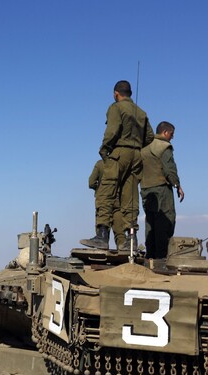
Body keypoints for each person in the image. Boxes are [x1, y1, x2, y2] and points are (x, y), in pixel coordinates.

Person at [81, 80, 154, 250]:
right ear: (130, 93)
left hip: (120, 153)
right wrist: (137, 146)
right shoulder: (141, 112)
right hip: (137, 156)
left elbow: (112, 131)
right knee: (130, 197)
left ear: (116, 93)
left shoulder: (116, 107)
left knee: (106, 193)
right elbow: (150, 136)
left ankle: (102, 236)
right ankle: (131, 239)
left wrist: (104, 149)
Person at [140, 121, 184, 259]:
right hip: (161, 189)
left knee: (150, 223)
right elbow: (169, 169)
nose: (172, 137)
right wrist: (177, 185)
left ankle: (150, 256)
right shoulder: (164, 146)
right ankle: (161, 258)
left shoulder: (145, 147)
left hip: (146, 189)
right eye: (171, 134)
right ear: (165, 132)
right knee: (165, 221)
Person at [88, 160, 127, 248]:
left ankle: (102, 247)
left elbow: (91, 182)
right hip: (118, 200)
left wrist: (99, 189)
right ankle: (123, 248)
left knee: (102, 227)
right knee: (120, 231)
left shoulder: (100, 164)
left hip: (103, 200)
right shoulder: (121, 164)